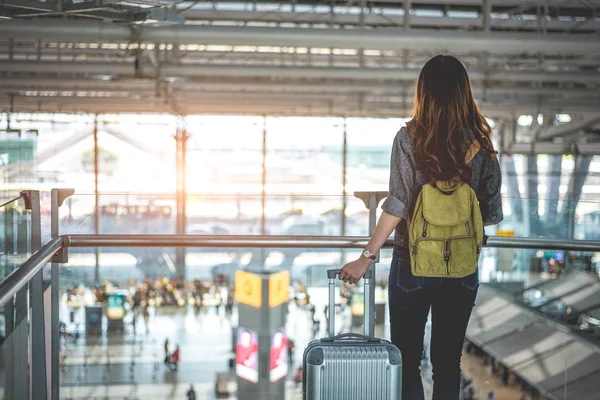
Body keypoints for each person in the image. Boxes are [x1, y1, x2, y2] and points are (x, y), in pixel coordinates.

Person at [339, 55, 503, 400]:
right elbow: (489, 214)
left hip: (411, 264)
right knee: (447, 364)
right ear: (464, 92)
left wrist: (365, 258)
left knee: (407, 359)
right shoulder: (483, 145)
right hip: (461, 267)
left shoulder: (409, 138)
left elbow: (396, 205)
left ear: (423, 92)